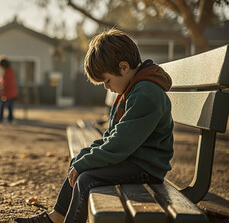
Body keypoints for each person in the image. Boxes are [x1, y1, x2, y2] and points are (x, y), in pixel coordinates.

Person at [14, 29, 174, 223]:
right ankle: (56, 218)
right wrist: (84, 157)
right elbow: (113, 135)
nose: (107, 87)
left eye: (107, 80)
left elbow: (122, 143)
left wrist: (85, 163)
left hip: (146, 167)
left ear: (123, 67)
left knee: (86, 178)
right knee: (78, 161)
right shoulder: (133, 89)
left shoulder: (146, 92)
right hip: (134, 159)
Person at [0, 56, 18, 123]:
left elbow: (4, 83)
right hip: (12, 93)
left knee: (2, 106)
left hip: (7, 93)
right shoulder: (11, 71)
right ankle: (10, 119)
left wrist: (0, 85)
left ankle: (1, 119)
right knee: (10, 107)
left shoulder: (6, 73)